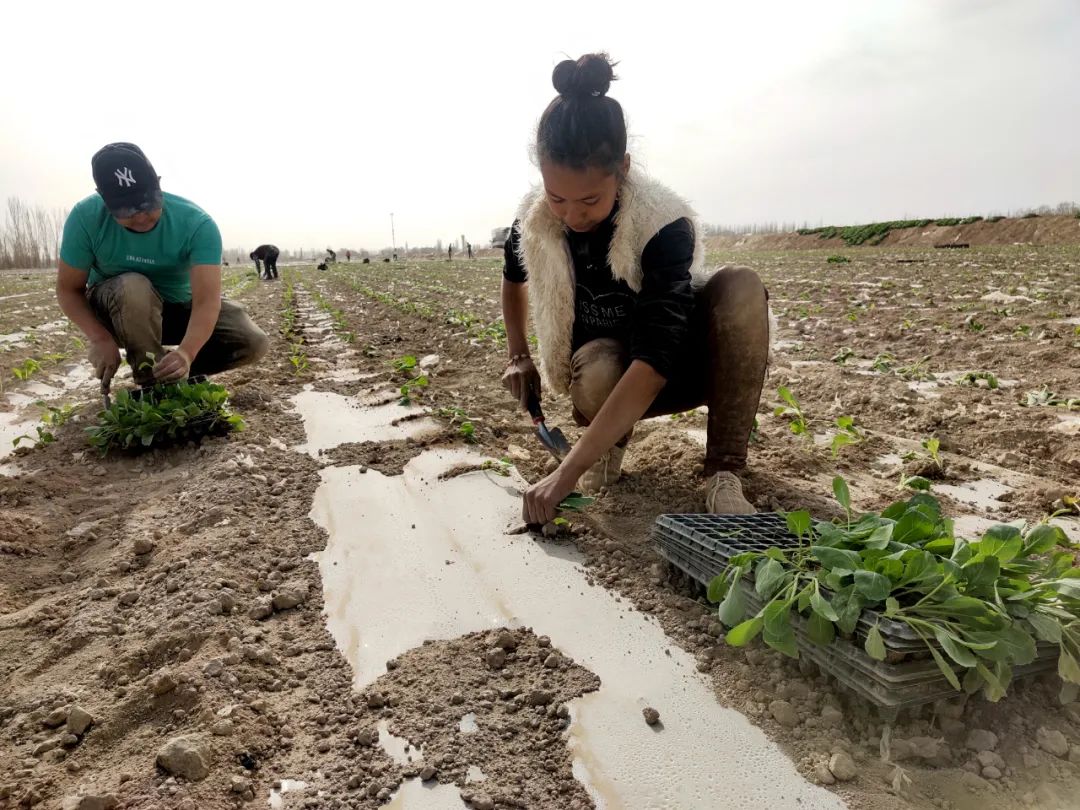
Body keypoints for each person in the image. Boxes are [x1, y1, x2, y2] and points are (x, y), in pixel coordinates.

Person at [500, 54, 770, 526]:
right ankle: (608, 445)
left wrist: (564, 474)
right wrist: (518, 354)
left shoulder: (660, 225)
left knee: (741, 287)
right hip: (606, 376)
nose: (572, 215)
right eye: (557, 197)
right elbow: (513, 278)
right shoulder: (536, 220)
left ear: (622, 169)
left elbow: (655, 360)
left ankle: (723, 470)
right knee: (600, 366)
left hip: (680, 366)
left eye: (589, 200)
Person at [56, 142, 270, 390]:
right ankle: (151, 384)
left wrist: (187, 353)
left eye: (147, 202)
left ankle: (172, 373)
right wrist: (99, 338)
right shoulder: (86, 218)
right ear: (104, 199)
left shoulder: (196, 224)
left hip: (177, 307)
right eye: (126, 209)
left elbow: (206, 301)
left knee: (251, 341)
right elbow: (68, 289)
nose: (140, 216)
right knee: (134, 286)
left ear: (158, 184)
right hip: (117, 315)